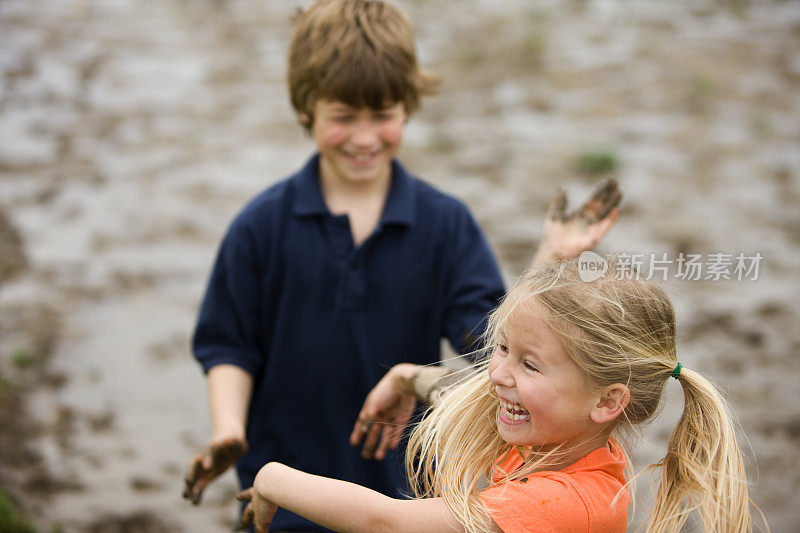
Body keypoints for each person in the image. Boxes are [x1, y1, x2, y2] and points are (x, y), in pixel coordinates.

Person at [182, 0, 620, 530]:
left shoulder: (444, 224)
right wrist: (228, 430)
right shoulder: (261, 226)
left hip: (407, 497)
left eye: (383, 115)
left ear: (408, 109)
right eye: (343, 117)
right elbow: (229, 343)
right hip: (284, 494)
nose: (365, 138)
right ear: (306, 110)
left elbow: (491, 342)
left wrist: (548, 260)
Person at [237, 258, 758, 533]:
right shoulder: (561, 438)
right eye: (501, 348)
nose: (495, 375)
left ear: (607, 401)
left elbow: (386, 522)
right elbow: (453, 395)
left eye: (528, 363)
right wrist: (403, 377)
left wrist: (273, 478)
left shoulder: (568, 503)